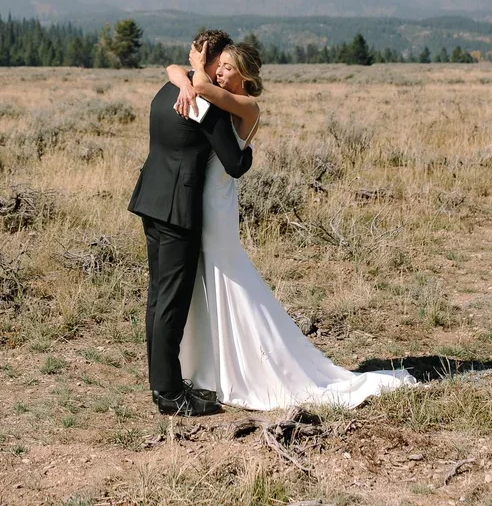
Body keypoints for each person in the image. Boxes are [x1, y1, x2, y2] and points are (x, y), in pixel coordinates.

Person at [167, 39, 416, 411]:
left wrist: (196, 67)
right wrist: (185, 76)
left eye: (228, 68)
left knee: (227, 275)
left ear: (246, 77)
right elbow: (174, 73)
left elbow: (197, 84)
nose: (220, 72)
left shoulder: (247, 106)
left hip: (216, 204)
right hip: (197, 200)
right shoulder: (215, 93)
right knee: (207, 279)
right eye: (219, 67)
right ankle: (211, 365)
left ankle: (254, 365)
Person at [127, 28, 252, 416]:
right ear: (212, 61)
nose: (220, 73)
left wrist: (184, 74)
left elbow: (172, 73)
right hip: (178, 209)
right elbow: (234, 163)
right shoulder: (201, 102)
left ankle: (161, 383)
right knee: (172, 302)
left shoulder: (168, 90)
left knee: (156, 297)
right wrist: (247, 153)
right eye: (221, 63)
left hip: (150, 198)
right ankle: (169, 395)